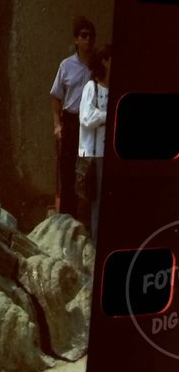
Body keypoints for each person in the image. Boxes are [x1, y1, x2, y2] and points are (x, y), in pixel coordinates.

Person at [49, 17, 96, 219]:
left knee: (89, 170)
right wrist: (57, 125)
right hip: (71, 120)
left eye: (91, 36)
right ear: (76, 40)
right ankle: (67, 219)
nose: (88, 40)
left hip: (92, 123)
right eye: (83, 36)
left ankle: (86, 220)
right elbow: (56, 97)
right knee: (67, 170)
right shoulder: (66, 66)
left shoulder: (98, 65)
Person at [77, 45, 111, 244]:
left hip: (109, 153)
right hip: (94, 154)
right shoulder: (92, 88)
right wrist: (109, 115)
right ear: (105, 61)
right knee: (96, 203)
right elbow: (87, 117)